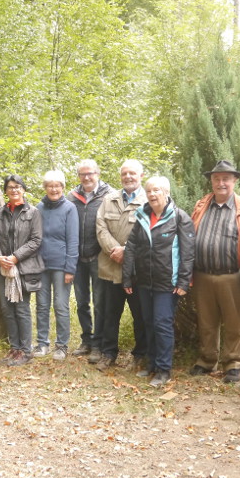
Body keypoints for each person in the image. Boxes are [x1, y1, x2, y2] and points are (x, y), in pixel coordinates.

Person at [123, 177, 195, 387]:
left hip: (168, 283)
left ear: (166, 192)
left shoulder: (180, 218)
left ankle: (164, 370)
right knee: (148, 322)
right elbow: (131, 248)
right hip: (144, 281)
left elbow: (188, 252)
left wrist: (183, 281)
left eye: (156, 190)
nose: (152, 195)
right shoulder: (142, 217)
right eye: (149, 191)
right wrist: (127, 276)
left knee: (162, 323)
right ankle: (152, 364)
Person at [190, 160, 240, 383]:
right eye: (217, 178)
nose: (221, 182)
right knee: (206, 321)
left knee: (234, 321)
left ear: (234, 180)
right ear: (211, 181)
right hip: (203, 274)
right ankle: (207, 360)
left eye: (226, 178)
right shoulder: (202, 205)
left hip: (232, 276)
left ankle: (233, 362)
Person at [94, 159, 148, 371]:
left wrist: (128, 251)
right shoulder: (109, 199)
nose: (128, 177)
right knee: (110, 314)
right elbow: (100, 227)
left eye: (132, 173)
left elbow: (151, 231)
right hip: (110, 267)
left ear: (141, 176)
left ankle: (140, 354)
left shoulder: (148, 199)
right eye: (124, 173)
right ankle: (109, 353)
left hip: (137, 271)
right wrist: (114, 250)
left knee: (140, 315)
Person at [0, 174, 44, 367]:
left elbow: (36, 240)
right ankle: (14, 348)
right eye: (10, 187)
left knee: (21, 309)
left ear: (23, 189)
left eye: (17, 186)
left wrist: (15, 257)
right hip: (2, 268)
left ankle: (26, 351)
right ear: (6, 190)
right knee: (7, 309)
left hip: (22, 269)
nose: (14, 190)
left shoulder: (33, 212)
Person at [67, 160, 114, 359]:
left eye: (90, 174)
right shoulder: (71, 196)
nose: (86, 178)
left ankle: (99, 344)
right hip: (78, 258)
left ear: (98, 173)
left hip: (99, 257)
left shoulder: (110, 194)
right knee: (82, 302)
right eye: (82, 174)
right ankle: (86, 339)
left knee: (100, 302)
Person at [35, 171, 79, 360]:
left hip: (62, 267)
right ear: (45, 188)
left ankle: (61, 345)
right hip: (41, 266)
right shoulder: (38, 208)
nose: (54, 189)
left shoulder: (70, 208)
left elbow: (73, 239)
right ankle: (42, 343)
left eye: (57, 185)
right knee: (42, 305)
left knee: (61, 306)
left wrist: (70, 268)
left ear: (62, 187)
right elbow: (34, 237)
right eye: (50, 185)